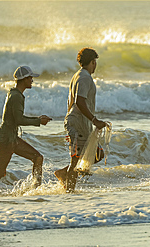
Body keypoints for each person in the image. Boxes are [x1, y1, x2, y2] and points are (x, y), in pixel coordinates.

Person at [0, 66, 52, 196]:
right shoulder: (16, 96)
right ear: (24, 79)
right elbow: (19, 120)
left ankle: (35, 190)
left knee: (37, 158)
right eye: (30, 78)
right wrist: (39, 121)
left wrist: (38, 119)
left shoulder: (14, 93)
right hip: (7, 139)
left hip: (10, 138)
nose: (32, 80)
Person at [54, 47, 106, 193]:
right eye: (94, 61)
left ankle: (64, 174)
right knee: (76, 160)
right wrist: (94, 120)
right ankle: (70, 193)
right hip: (78, 122)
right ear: (92, 62)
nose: (95, 65)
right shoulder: (84, 77)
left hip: (80, 123)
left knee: (98, 154)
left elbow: (72, 102)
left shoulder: (78, 75)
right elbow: (79, 102)